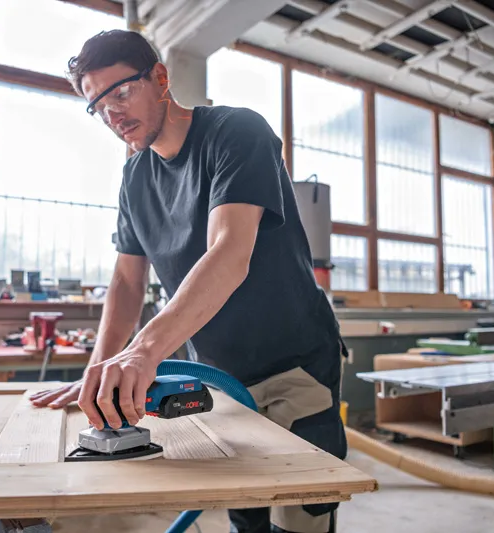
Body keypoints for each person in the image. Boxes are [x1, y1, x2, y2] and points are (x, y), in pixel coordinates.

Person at [29, 29, 347, 533]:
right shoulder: (134, 177)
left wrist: (142, 352)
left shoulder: (236, 133)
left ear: (160, 78)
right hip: (221, 378)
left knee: (300, 515)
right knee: (244, 509)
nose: (112, 114)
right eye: (97, 106)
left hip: (294, 368)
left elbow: (229, 254)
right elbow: (127, 284)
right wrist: (98, 374)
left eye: (121, 92)